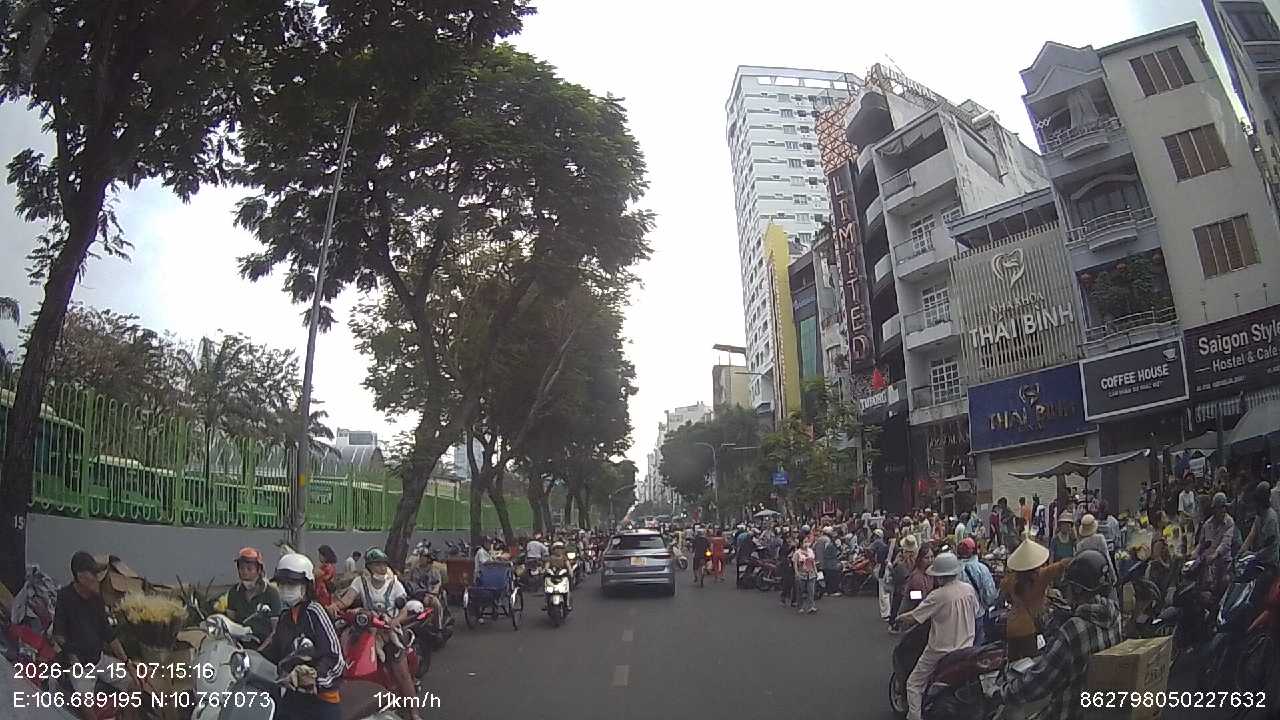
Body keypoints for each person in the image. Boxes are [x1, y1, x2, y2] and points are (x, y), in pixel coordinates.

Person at [998, 550, 1122, 720]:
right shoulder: (1114, 613)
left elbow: (1040, 682)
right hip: (1098, 709)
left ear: (1077, 589)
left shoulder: (1073, 630)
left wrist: (1003, 693)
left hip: (1069, 712)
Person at [895, 552, 979, 720]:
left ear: (939, 576)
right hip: (966, 648)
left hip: (940, 650)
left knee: (913, 684)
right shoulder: (968, 589)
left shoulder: (938, 595)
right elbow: (976, 611)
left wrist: (899, 617)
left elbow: (914, 616)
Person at [329, 549, 416, 710]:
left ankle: (414, 711)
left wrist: (395, 621)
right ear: (368, 567)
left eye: (384, 564)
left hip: (389, 630)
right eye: (377, 564)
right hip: (367, 629)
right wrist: (335, 606)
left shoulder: (394, 584)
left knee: (401, 672)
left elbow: (403, 611)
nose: (382, 568)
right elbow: (347, 600)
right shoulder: (360, 582)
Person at [264, 553, 346, 720]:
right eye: (281, 584)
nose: (285, 589)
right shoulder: (285, 618)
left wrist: (314, 677)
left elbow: (336, 659)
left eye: (292, 584)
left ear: (307, 586)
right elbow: (273, 654)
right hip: (292, 697)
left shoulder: (315, 612)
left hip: (322, 700)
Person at [53, 552, 131, 720]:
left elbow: (108, 634)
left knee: (133, 685)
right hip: (80, 665)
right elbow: (58, 635)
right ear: (80, 577)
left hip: (99, 659)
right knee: (86, 708)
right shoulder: (65, 597)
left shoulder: (96, 599)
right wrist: (72, 656)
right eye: (93, 575)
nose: (96, 579)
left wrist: (127, 662)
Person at [1003, 537, 1070, 662]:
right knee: (1031, 664)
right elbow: (1062, 565)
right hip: (1028, 628)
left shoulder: (1010, 580)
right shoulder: (1041, 576)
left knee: (1013, 664)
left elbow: (1007, 596)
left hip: (1011, 626)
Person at [220, 547, 282, 641]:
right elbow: (230, 624)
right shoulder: (234, 592)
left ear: (259, 570)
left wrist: (262, 648)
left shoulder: (271, 593)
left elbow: (275, 631)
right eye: (241, 568)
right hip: (240, 644)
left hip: (265, 645)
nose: (245, 572)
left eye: (249, 569)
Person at [956, 537, 997, 646]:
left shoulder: (954, 570)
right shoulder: (981, 569)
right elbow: (990, 595)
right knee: (977, 647)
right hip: (978, 614)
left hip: (959, 617)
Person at [1196, 492, 1237, 595]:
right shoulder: (1207, 524)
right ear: (1214, 509)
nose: (1223, 510)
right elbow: (1201, 544)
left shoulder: (1229, 522)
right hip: (1207, 565)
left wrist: (1215, 555)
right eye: (1220, 508)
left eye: (1224, 507)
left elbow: (1225, 543)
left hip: (1223, 563)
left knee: (1225, 581)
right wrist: (1193, 554)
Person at [1075, 515, 1117, 601]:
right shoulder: (1100, 539)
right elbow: (1107, 557)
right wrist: (1113, 576)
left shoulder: (1080, 545)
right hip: (1101, 574)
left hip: (1087, 580)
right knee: (1111, 598)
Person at [1241, 481, 1279, 567]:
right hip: (1259, 560)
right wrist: (1241, 552)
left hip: (1270, 564)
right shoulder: (1260, 515)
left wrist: (1253, 555)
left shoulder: (1271, 518)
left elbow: (1269, 548)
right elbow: (1252, 534)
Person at [890, 534, 920, 620]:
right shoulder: (916, 558)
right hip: (912, 589)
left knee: (900, 605)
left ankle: (896, 621)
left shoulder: (901, 559)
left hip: (904, 590)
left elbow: (896, 576)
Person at [792, 534, 819, 614]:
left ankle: (811, 606)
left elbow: (813, 562)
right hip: (801, 574)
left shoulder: (810, 551)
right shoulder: (797, 553)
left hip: (811, 574)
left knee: (811, 591)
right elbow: (795, 564)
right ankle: (800, 606)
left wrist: (816, 571)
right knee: (800, 592)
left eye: (807, 542)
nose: (807, 543)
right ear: (801, 543)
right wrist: (797, 573)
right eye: (805, 542)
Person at [870, 529, 892, 620]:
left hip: (882, 569)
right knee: (886, 593)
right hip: (886, 570)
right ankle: (886, 612)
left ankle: (885, 613)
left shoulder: (878, 543)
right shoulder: (887, 547)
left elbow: (870, 551)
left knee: (883, 593)